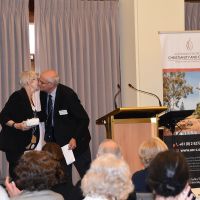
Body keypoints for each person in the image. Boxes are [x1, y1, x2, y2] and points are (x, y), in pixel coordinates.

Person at [39, 69, 91, 182]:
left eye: (41, 82)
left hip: (76, 144)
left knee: (88, 178)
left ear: (51, 84)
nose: (39, 84)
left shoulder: (67, 95)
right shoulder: (43, 94)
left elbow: (84, 119)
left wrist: (75, 138)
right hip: (59, 145)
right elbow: (46, 115)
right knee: (63, 179)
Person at [0, 71, 42, 180]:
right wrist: (16, 125)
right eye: (36, 79)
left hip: (24, 145)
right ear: (28, 82)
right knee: (18, 176)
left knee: (23, 176)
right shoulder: (18, 96)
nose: (39, 82)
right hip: (14, 144)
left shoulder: (31, 99)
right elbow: (3, 116)